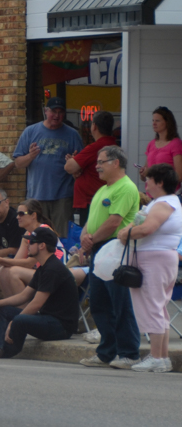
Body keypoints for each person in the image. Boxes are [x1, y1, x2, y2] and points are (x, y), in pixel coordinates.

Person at [114, 164, 182, 372]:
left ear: (160, 182)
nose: (146, 183)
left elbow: (147, 228)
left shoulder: (162, 204)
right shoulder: (166, 202)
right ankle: (161, 358)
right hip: (160, 257)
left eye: (149, 179)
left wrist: (125, 233)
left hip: (154, 259)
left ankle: (156, 357)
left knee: (151, 306)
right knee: (158, 308)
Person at [0, 227, 79, 358]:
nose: (28, 245)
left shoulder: (53, 269)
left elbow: (36, 304)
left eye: (31, 242)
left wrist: (14, 322)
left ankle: (7, 350)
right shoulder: (43, 268)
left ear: (42, 246)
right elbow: (24, 295)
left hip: (61, 327)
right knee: (3, 310)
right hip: (47, 318)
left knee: (20, 320)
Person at [79, 145, 141, 369]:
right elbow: (92, 218)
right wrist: (84, 237)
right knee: (99, 303)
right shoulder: (103, 189)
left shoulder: (125, 188)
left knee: (120, 304)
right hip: (98, 248)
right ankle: (106, 353)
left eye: (101, 162)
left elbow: (114, 221)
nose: (96, 166)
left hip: (115, 249)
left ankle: (129, 353)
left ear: (116, 163)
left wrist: (91, 239)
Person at [12, 97, 83, 237]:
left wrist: (74, 162)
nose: (57, 115)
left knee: (61, 237)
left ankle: (61, 259)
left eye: (60, 112)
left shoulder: (73, 135)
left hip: (62, 198)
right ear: (46, 111)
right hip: (37, 196)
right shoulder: (30, 132)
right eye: (53, 111)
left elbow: (81, 170)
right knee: (37, 237)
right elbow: (18, 163)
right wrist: (30, 156)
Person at [0, 199, 84, 298]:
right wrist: (2, 262)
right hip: (42, 271)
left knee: (13, 272)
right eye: (17, 214)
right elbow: (17, 261)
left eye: (21, 213)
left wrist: (1, 260)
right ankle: (12, 309)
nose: (17, 217)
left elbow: (29, 263)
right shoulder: (28, 234)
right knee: (2, 270)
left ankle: (24, 310)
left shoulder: (44, 231)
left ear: (33, 216)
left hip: (57, 272)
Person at [64, 110, 117, 229]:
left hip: (90, 201)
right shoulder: (114, 146)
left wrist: (72, 161)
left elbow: (69, 167)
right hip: (103, 199)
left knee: (87, 235)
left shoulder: (96, 147)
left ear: (94, 126)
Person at [140, 106, 182, 186]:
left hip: (168, 193)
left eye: (157, 121)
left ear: (167, 122)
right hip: (151, 193)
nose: (154, 123)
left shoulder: (176, 144)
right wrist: (143, 174)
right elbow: (145, 177)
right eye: (153, 120)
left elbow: (179, 176)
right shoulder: (151, 144)